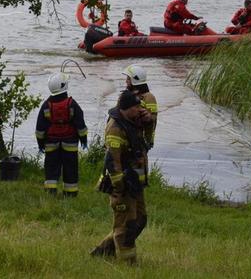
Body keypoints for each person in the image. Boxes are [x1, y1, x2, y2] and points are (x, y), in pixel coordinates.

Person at [92, 90, 151, 264]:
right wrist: (120, 187)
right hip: (123, 184)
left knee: (140, 219)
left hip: (135, 183)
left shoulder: (132, 120)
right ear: (126, 108)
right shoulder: (115, 129)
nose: (139, 108)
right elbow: (113, 161)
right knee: (127, 225)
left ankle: (103, 250)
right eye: (136, 106)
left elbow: (146, 138)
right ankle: (129, 264)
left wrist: (149, 121)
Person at [34, 72, 88, 197]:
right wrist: (83, 140)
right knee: (70, 169)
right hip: (70, 143)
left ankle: (50, 192)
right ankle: (70, 194)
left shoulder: (46, 105)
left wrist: (40, 144)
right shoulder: (72, 104)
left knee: (51, 168)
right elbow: (80, 125)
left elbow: (40, 129)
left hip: (51, 143)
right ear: (64, 86)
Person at [122, 65, 158, 150]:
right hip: (129, 135)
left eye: (128, 79)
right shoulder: (129, 95)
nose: (126, 81)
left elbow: (152, 120)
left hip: (142, 138)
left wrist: (147, 140)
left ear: (135, 80)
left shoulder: (149, 97)